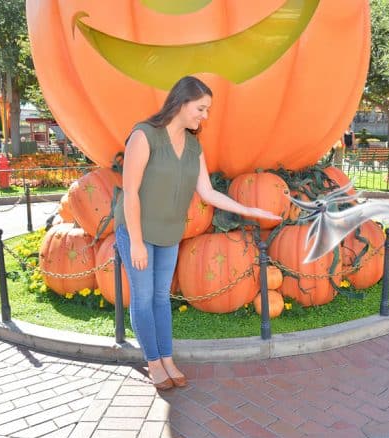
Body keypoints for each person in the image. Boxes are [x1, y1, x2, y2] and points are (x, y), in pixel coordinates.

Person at [113, 76, 281, 390]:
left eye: (207, 110)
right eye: (201, 108)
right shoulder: (144, 135)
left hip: (170, 232)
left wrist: (251, 210)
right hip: (137, 229)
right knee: (144, 298)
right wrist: (135, 242)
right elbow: (131, 191)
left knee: (161, 299)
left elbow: (207, 193)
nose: (205, 116)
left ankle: (167, 358)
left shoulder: (193, 146)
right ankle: (154, 363)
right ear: (182, 102)